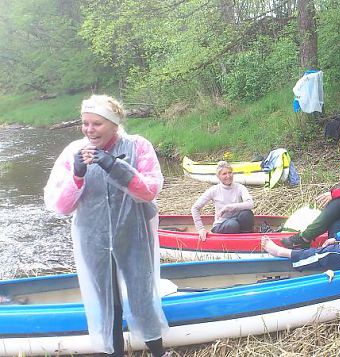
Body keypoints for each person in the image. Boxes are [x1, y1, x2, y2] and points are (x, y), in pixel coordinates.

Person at [44, 95, 169, 356]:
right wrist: (77, 175)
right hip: (93, 238)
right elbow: (60, 206)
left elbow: (150, 190)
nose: (89, 130)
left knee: (141, 295)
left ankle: (158, 351)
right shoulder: (73, 152)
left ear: (114, 123)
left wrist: (116, 166)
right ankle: (114, 352)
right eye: (85, 123)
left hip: (133, 234)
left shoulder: (138, 147)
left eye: (96, 124)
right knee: (106, 300)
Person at [280, 135, 340, 249]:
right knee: (337, 221)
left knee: (337, 203)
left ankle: (305, 237)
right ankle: (332, 250)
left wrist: (334, 194)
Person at [191, 161, 254, 240]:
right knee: (233, 224)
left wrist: (228, 207)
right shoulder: (214, 190)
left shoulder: (240, 187)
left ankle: (247, 239)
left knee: (247, 214)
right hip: (222, 224)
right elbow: (195, 208)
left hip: (238, 220)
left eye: (230, 173)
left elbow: (250, 204)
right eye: (224, 174)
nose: (228, 176)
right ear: (219, 176)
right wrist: (200, 229)